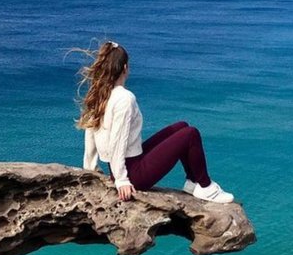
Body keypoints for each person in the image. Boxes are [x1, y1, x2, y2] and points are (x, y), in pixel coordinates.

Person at [75, 40, 234, 203]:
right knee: (191, 134)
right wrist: (121, 180)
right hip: (134, 174)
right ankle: (206, 187)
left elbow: (90, 132)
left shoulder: (101, 94)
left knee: (182, 126)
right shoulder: (124, 98)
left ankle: (192, 182)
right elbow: (117, 141)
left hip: (124, 165)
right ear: (125, 68)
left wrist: (90, 168)